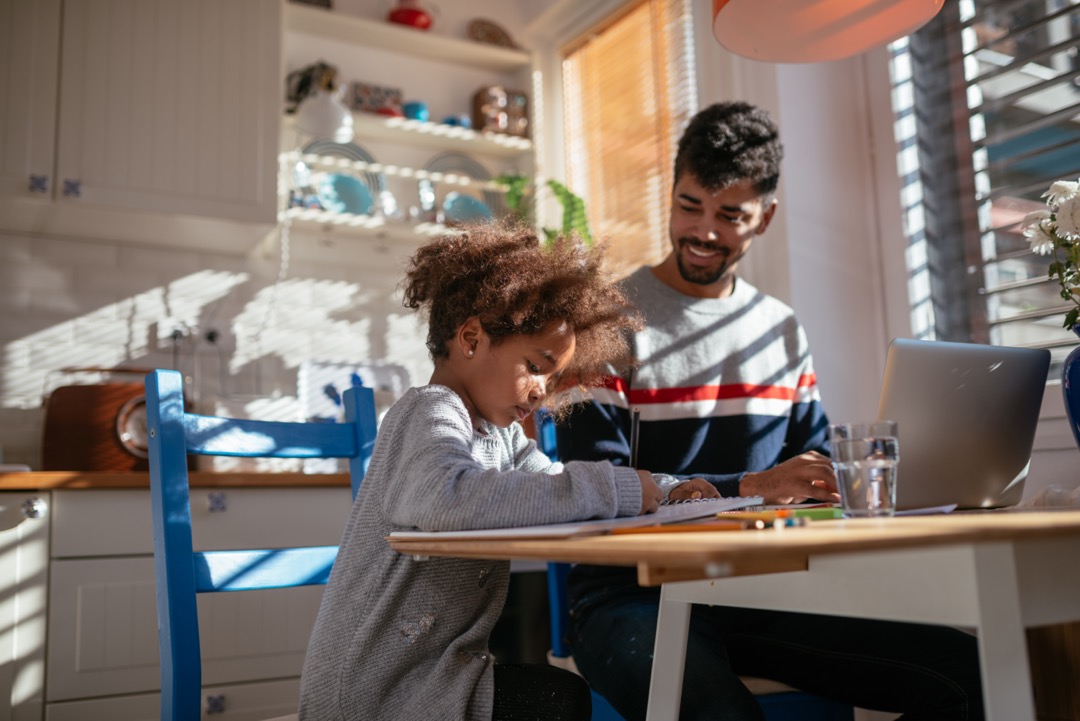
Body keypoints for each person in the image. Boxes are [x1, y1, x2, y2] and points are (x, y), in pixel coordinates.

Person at [555, 102, 985, 721]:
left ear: (766, 217)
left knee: (970, 679)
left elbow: (809, 476)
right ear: (670, 193)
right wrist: (753, 487)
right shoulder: (607, 322)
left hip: (759, 590)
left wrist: (866, 482)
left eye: (729, 215)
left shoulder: (780, 331)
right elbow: (594, 491)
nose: (703, 231)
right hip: (631, 596)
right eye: (688, 205)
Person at [297, 223, 718, 721]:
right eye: (536, 365)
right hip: (374, 695)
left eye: (555, 377)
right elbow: (445, 499)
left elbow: (553, 481)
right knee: (558, 701)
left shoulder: (501, 437)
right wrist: (625, 487)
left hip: (431, 678)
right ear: (471, 337)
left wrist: (665, 490)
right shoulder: (430, 410)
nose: (543, 391)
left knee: (557, 695)